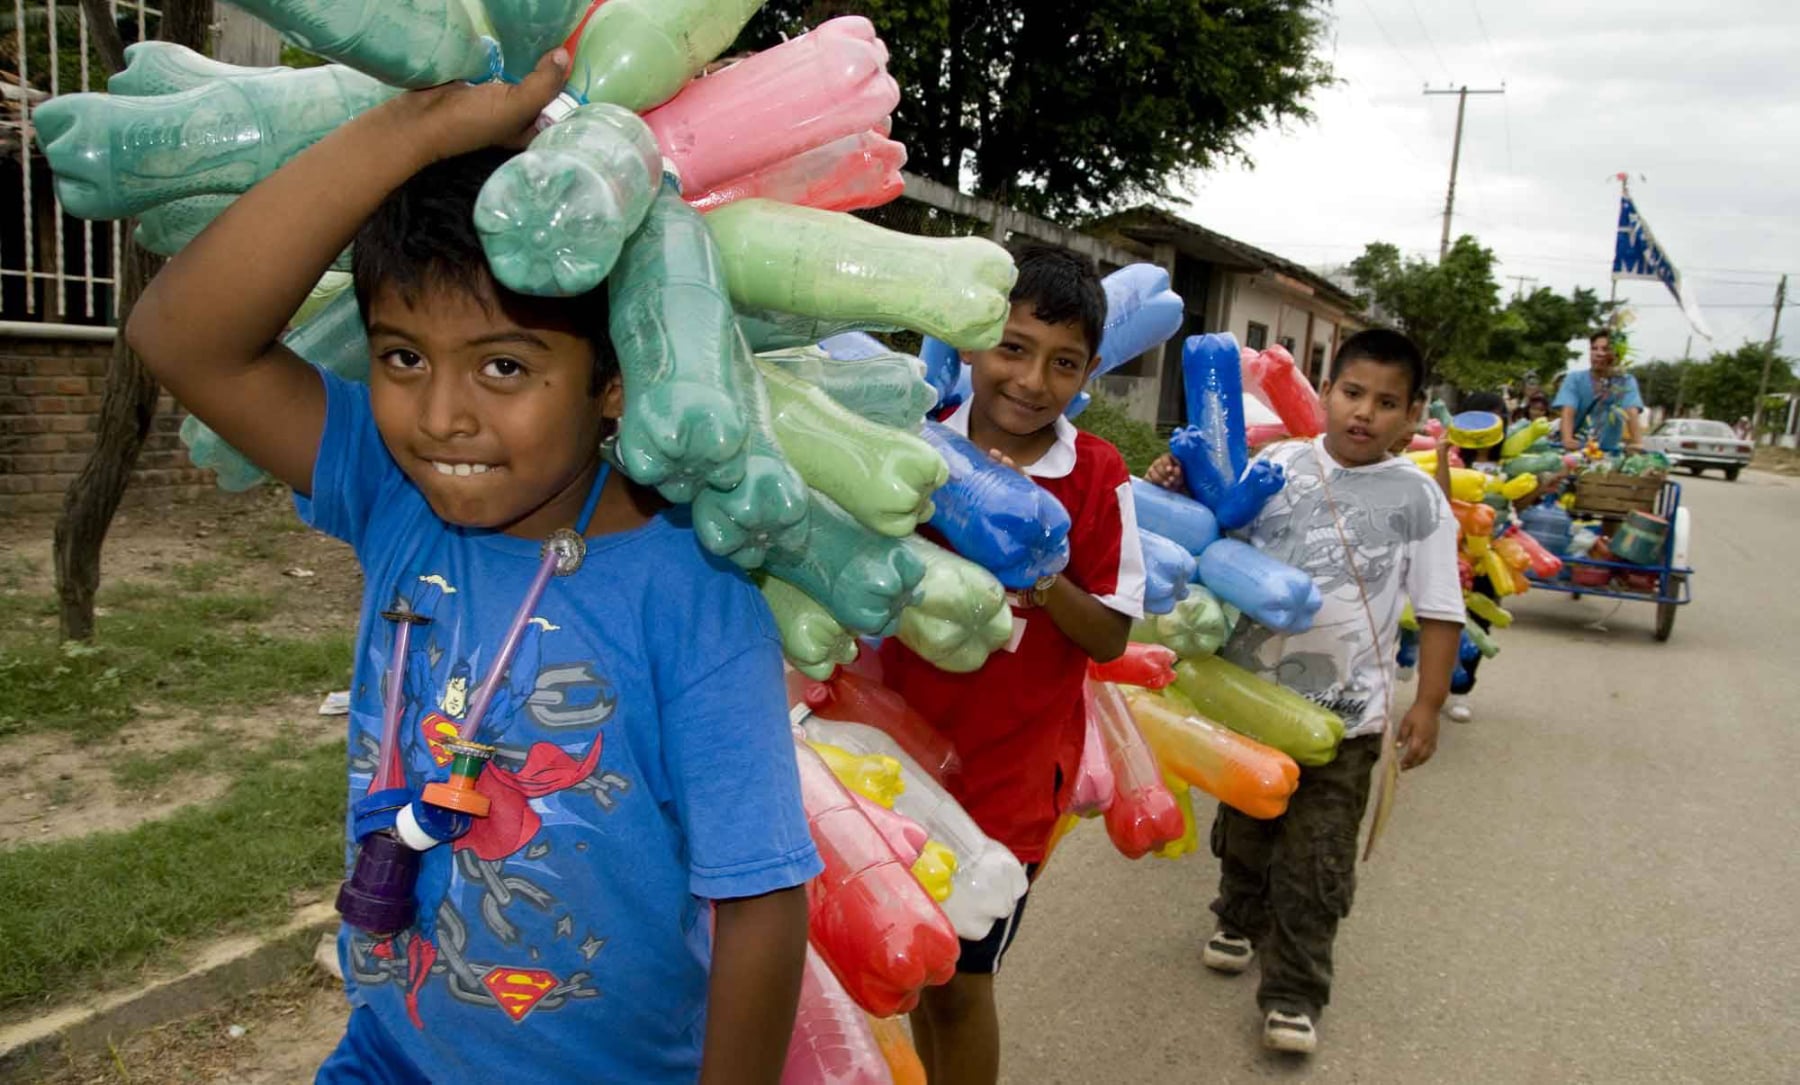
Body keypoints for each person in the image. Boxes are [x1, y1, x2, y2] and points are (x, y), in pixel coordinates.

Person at [124, 53, 820, 1085]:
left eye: (505, 366)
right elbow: (178, 335)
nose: (443, 413)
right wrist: (416, 132)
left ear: (615, 380)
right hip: (389, 1054)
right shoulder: (395, 498)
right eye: (403, 357)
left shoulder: (694, 591)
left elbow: (760, 900)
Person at [1146, 329, 1463, 1056]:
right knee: (1249, 828)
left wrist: (1429, 703)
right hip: (1249, 700)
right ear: (1325, 392)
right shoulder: (1278, 464)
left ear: (1412, 415)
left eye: (1387, 402)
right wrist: (1175, 480)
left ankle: (1294, 990)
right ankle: (1238, 912)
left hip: (1347, 717)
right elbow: (1215, 535)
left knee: (1316, 858)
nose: (1364, 413)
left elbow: (1442, 608)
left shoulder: (1419, 499)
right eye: (1352, 392)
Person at [880, 245, 1146, 1085]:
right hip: (891, 762)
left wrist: (1038, 565)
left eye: (1062, 362)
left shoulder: (1098, 475)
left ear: (1090, 371)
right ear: (972, 343)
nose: (1031, 380)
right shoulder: (912, 447)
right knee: (920, 970)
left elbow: (1108, 635)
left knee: (962, 980)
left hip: (1011, 779)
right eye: (1014, 348)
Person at [1554, 330, 1644, 453]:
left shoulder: (1625, 381)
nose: (1599, 354)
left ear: (1617, 354)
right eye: (1594, 348)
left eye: (1605, 349)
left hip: (1608, 452)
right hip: (1576, 451)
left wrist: (1637, 443)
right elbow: (1568, 410)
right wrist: (1567, 439)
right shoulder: (1574, 379)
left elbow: (1631, 411)